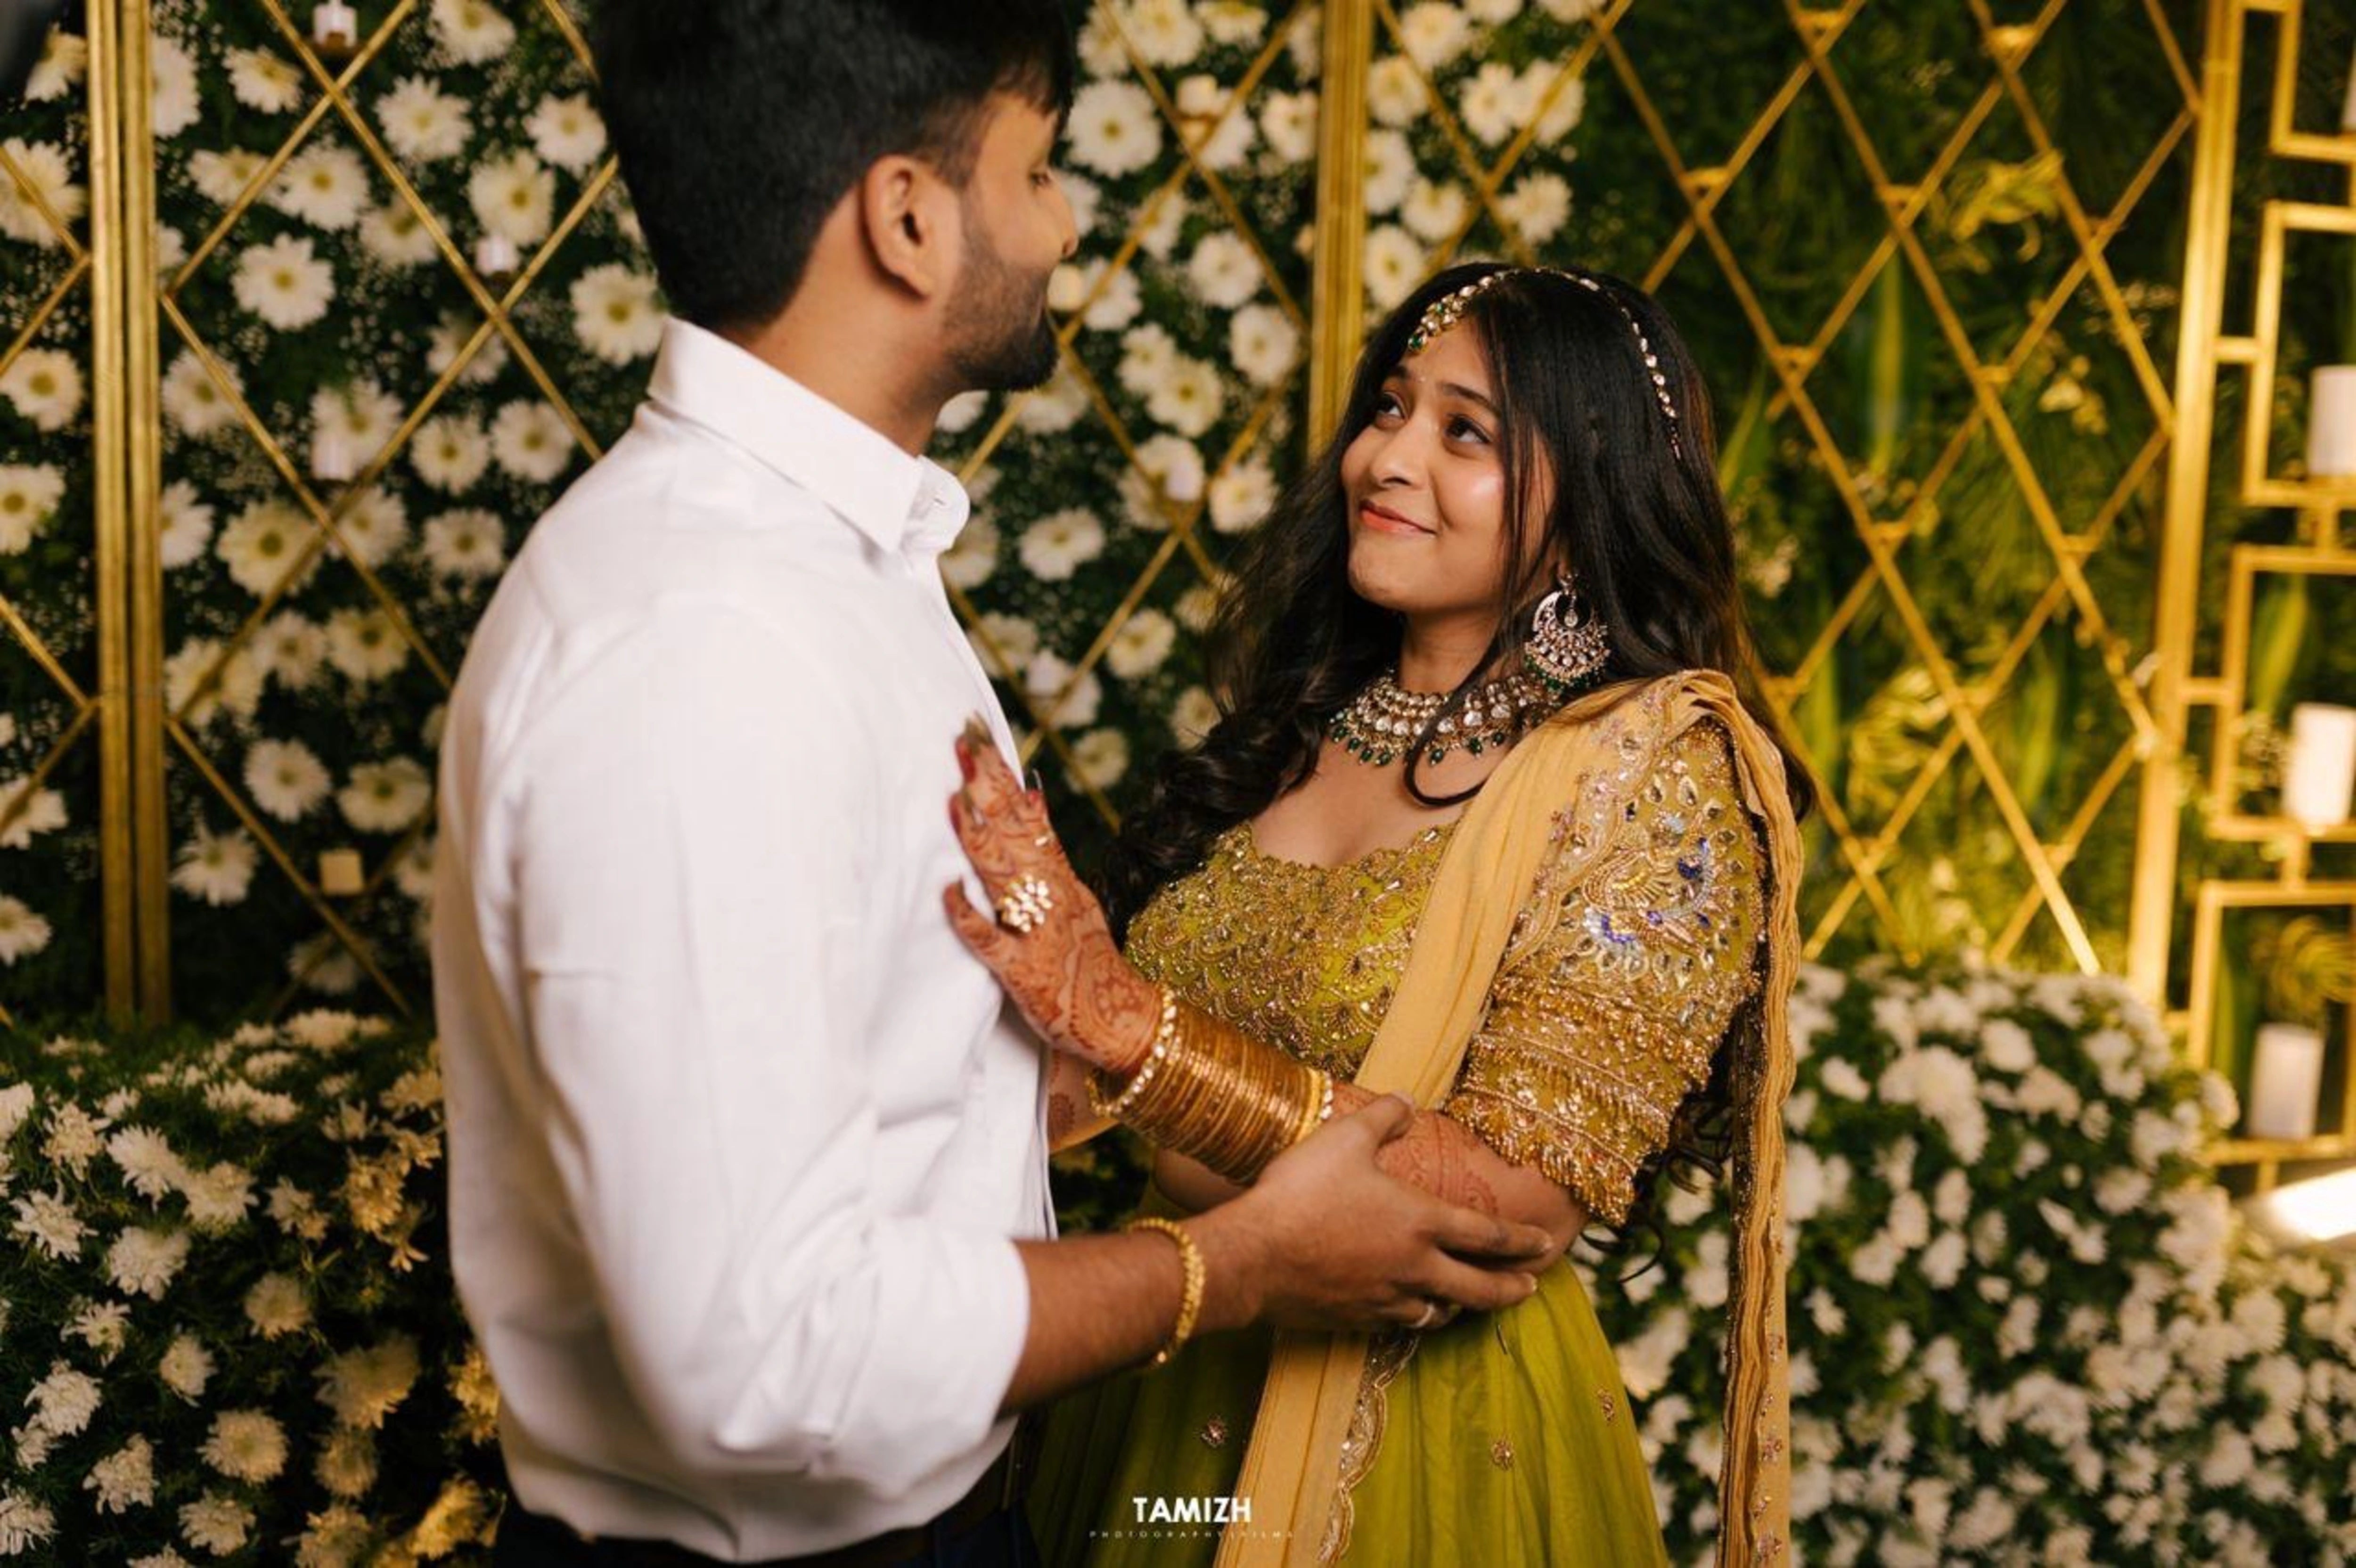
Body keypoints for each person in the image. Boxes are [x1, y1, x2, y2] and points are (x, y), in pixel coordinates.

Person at [428, 8, 1560, 1568]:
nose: (1066, 219)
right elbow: (762, 1360)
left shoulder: (842, 566)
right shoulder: (699, 642)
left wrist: (1081, 1053)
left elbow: (857, 1066)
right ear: (907, 217)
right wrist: (1236, 1266)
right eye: (1034, 169)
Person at [941, 262, 1810, 1566]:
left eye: (1466, 434)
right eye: (1390, 408)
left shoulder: (1650, 769)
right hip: (1160, 1368)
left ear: (1595, 496)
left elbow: (1513, 1204)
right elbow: (1109, 1072)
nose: (1386, 457)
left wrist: (1135, 1036)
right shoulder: (1301, 725)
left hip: (1414, 1443)